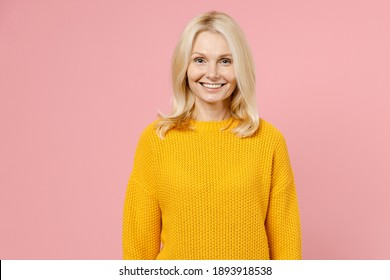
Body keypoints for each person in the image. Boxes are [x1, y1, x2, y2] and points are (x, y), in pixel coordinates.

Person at [122, 11, 301, 260]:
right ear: (183, 67)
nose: (213, 73)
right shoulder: (156, 140)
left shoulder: (268, 140)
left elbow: (287, 249)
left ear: (241, 68)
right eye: (200, 60)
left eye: (226, 61)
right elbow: (137, 250)